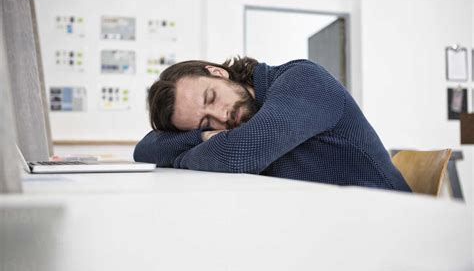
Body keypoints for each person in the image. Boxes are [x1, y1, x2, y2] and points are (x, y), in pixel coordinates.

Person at [134, 57, 411, 192]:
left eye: (212, 97)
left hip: (385, 222)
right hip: (324, 222)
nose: (222, 117)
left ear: (219, 73)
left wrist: (185, 153)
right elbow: (145, 150)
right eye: (205, 123)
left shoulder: (303, 79)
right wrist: (204, 138)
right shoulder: (229, 126)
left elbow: (236, 155)